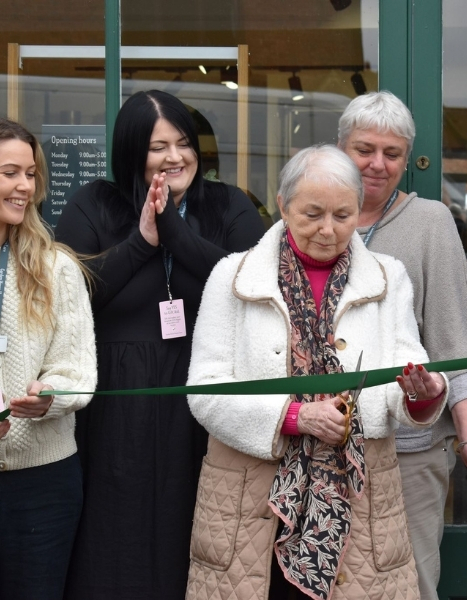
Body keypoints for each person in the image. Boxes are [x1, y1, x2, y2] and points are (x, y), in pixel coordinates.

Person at [185, 144, 448, 600]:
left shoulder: (390, 277)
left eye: (344, 215)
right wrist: (294, 418)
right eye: (313, 214)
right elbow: (205, 392)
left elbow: (405, 377)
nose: (329, 230)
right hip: (248, 502)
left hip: (359, 504)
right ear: (283, 205)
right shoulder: (231, 276)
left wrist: (419, 392)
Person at [55, 90, 266, 600]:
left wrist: (173, 231)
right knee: (115, 526)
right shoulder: (94, 202)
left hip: (204, 390)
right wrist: (141, 242)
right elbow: (74, 293)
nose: (175, 157)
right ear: (131, 152)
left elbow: (252, 283)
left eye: (183, 143)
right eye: (157, 147)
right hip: (118, 397)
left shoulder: (228, 203)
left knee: (198, 521)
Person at [337, 90, 467, 600]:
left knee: (410, 583)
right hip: (323, 446)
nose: (378, 164)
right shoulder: (314, 215)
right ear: (341, 148)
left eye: (393, 153)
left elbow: (456, 341)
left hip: (409, 449)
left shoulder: (431, 221)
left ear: (409, 158)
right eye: (365, 149)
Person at [0, 115, 97, 599]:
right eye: (10, 173)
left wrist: (52, 395)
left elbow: (76, 367)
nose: (25, 186)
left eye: (31, 173)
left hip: (45, 485)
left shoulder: (56, 266)